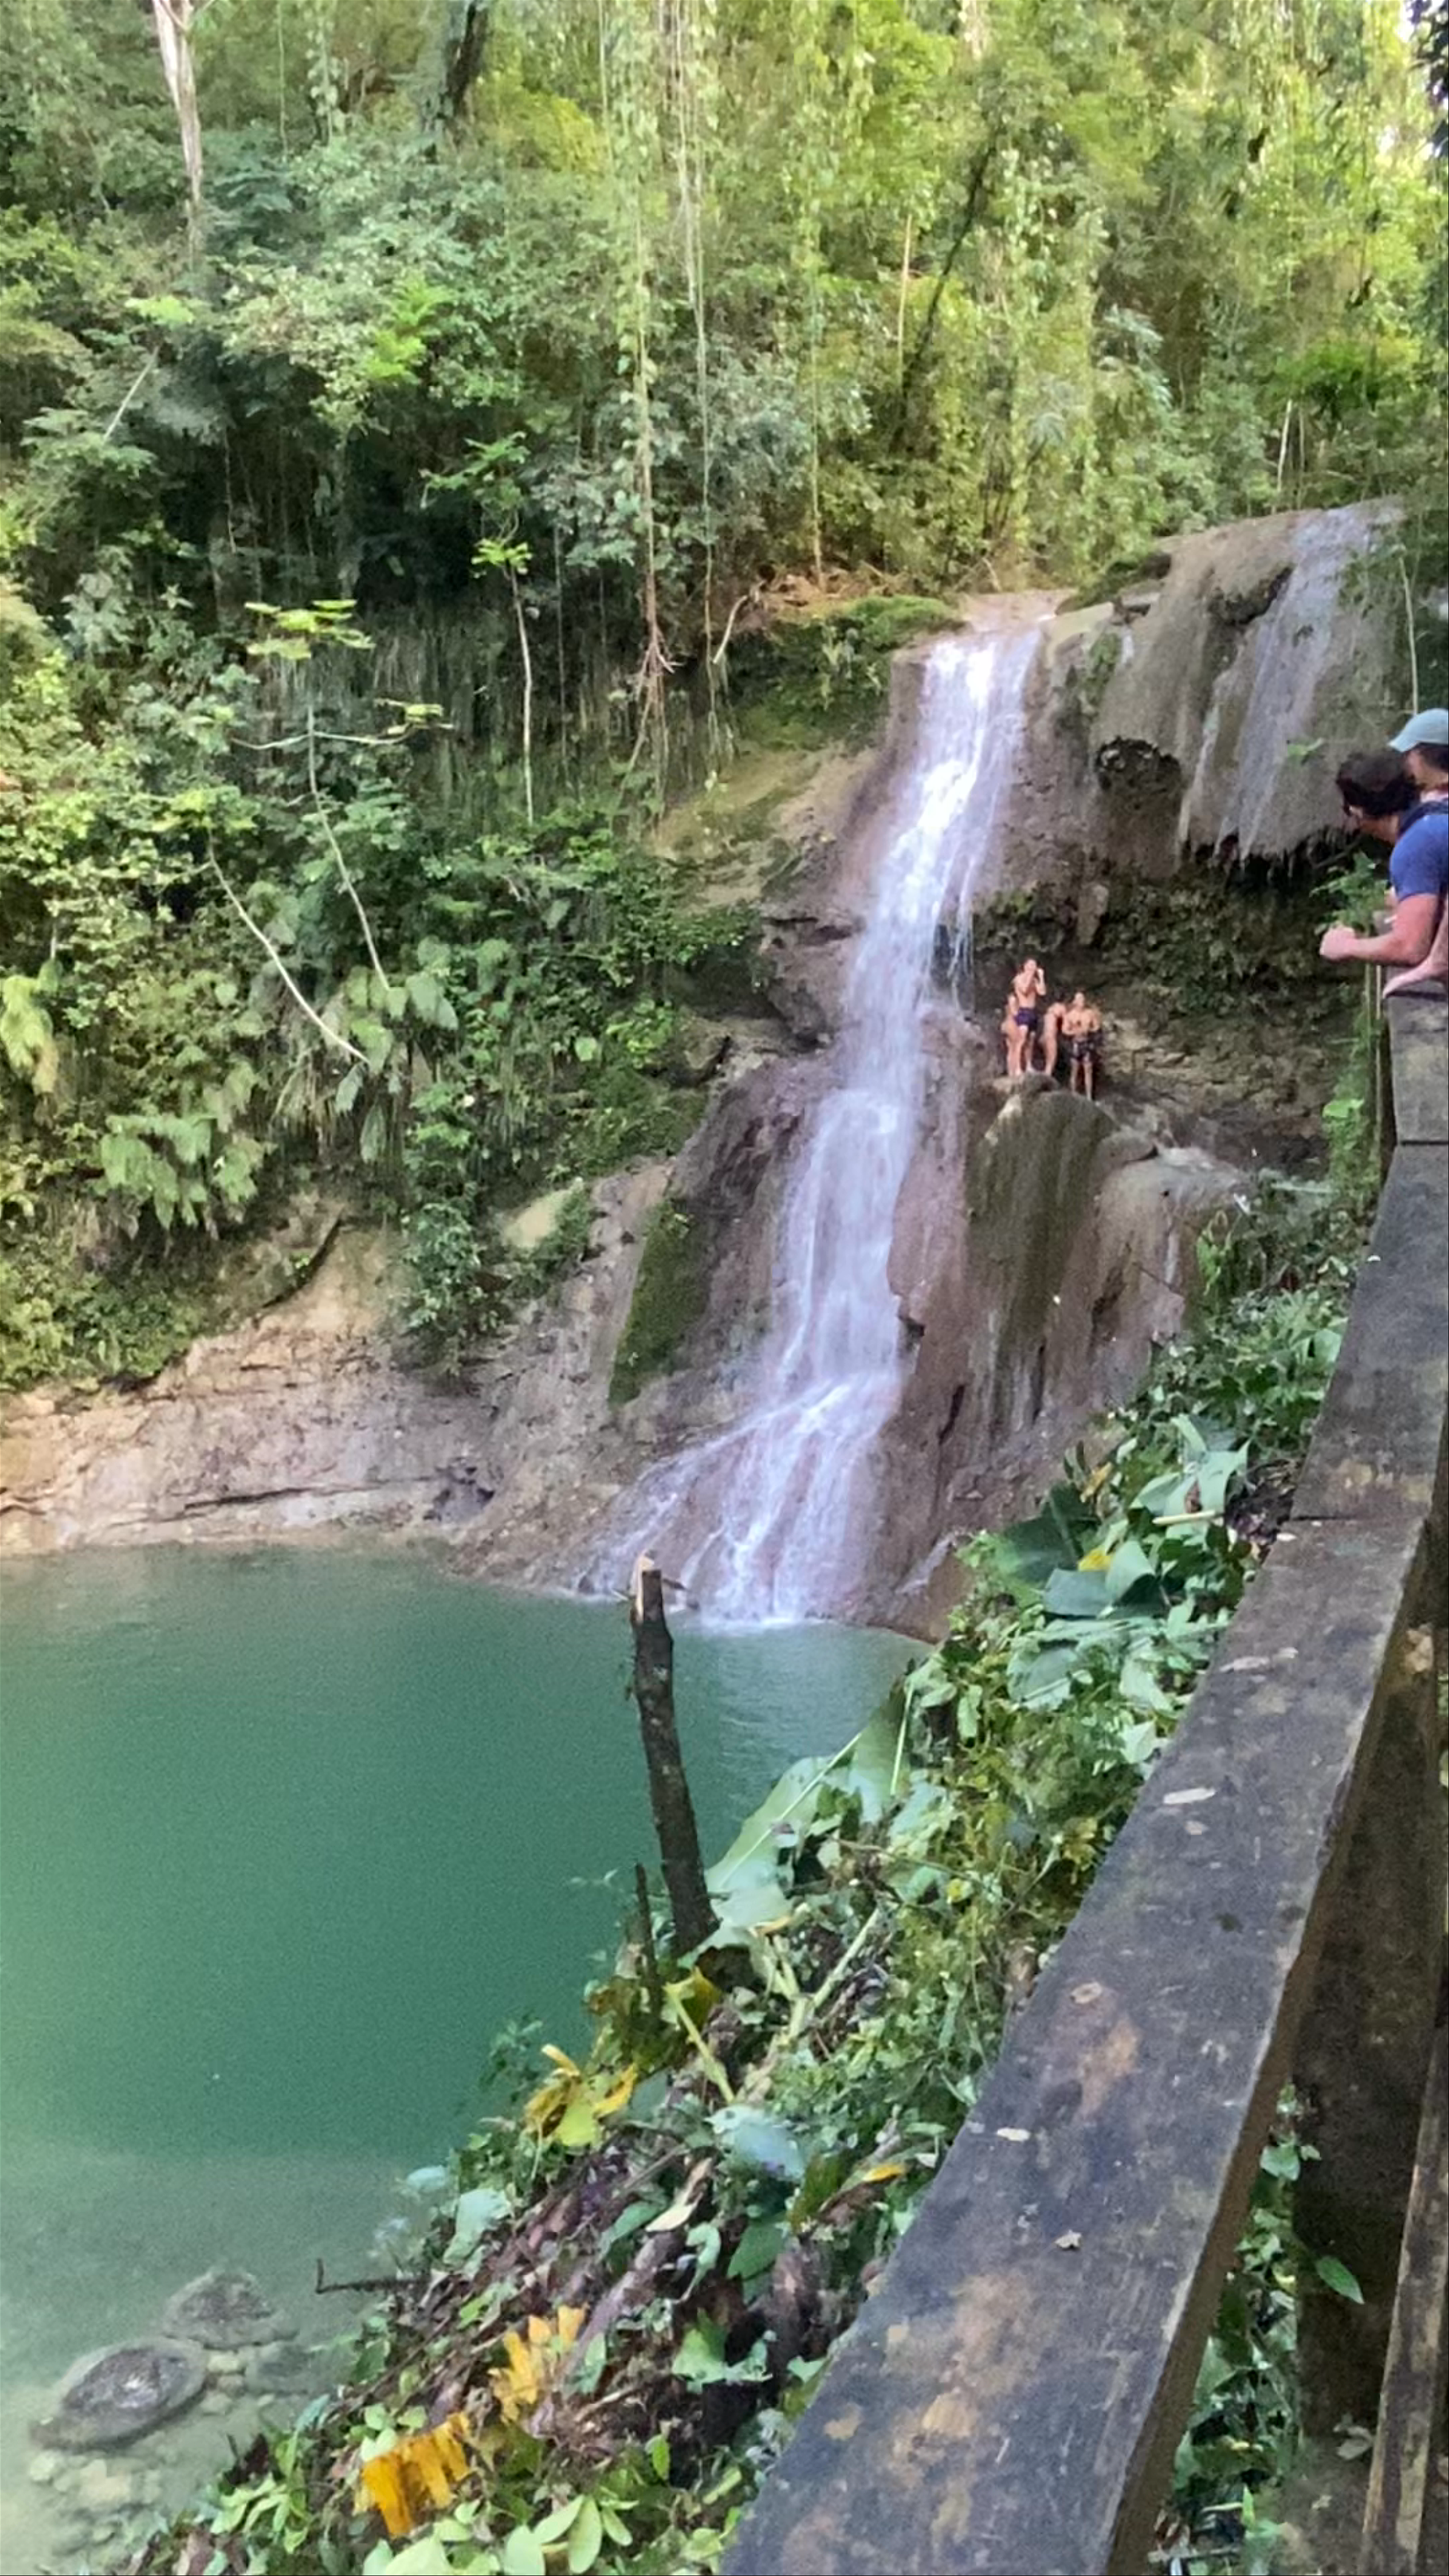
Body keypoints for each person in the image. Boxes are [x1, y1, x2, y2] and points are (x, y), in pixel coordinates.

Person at [1318, 749, 1447, 975]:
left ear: (1357, 811)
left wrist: (1345, 947)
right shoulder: (1438, 814)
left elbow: (1409, 948)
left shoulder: (1417, 844)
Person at [1381, 710, 1448, 997]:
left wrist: (1437, 960)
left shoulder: (1433, 824)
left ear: (1420, 754)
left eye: (1408, 755)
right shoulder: (1435, 804)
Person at [1005, 957, 1046, 1076]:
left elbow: (1042, 992)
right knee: (1022, 1039)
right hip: (1024, 1011)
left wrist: (1041, 977)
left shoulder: (1034, 980)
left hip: (1033, 1011)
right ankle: (1018, 1067)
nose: (1034, 967)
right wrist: (1030, 977)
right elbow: (1024, 990)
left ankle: (1029, 1065)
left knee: (1031, 1040)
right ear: (1025, 966)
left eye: (1035, 965)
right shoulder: (1019, 979)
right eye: (1031, 965)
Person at [1060, 990, 1103, 1098]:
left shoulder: (1090, 1013)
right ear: (1075, 1002)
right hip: (1076, 1044)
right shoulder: (1070, 1015)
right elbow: (1064, 1030)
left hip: (1087, 1043)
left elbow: (1097, 1027)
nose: (1082, 1002)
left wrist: (1089, 1030)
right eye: (1079, 1000)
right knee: (1075, 1070)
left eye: (1083, 1000)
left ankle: (1089, 1097)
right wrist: (1075, 1032)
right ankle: (1074, 1095)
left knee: (1088, 1070)